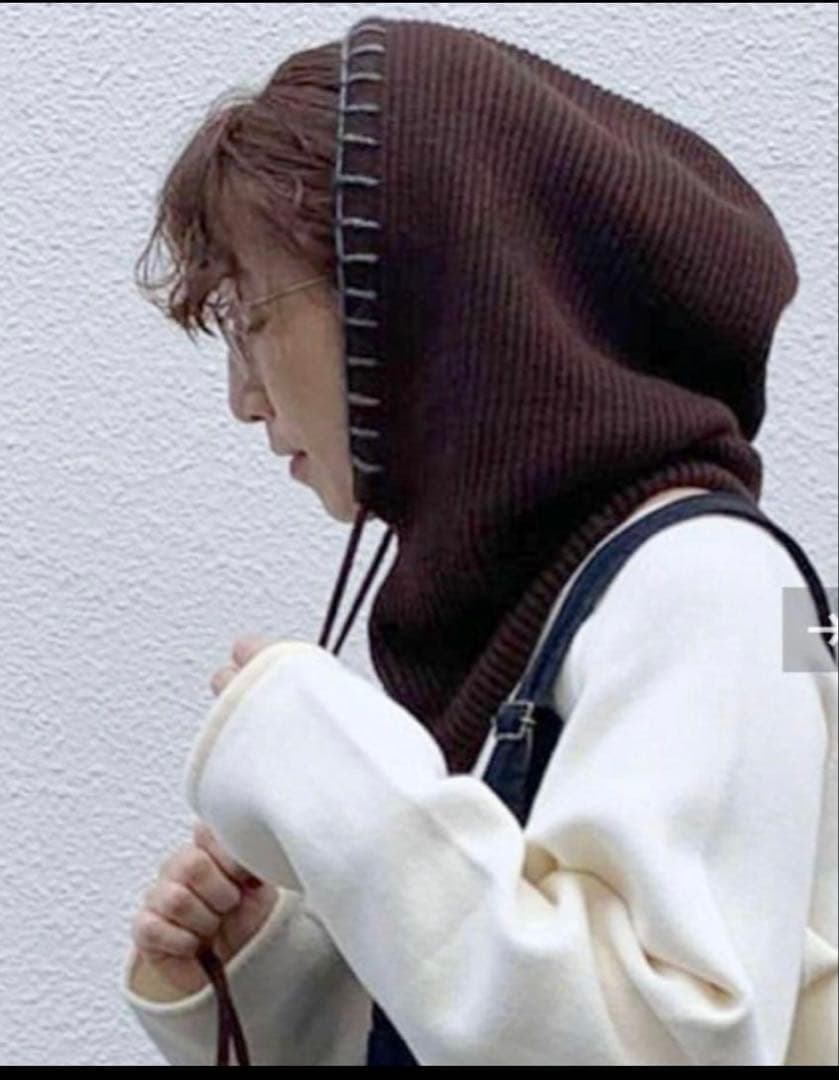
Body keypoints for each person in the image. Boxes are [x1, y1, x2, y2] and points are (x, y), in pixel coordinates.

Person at [120, 14, 838, 1066]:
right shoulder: (547, 601)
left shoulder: (712, 583)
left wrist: (330, 778)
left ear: (416, 300)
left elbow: (663, 1044)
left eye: (255, 318)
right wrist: (284, 986)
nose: (243, 397)